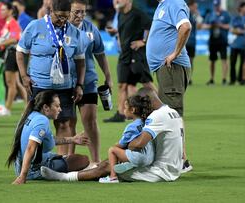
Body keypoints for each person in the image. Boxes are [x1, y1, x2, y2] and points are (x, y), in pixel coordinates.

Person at [40, 87, 185, 182]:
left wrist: (129, 145)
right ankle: (92, 168)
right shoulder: (173, 112)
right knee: (109, 162)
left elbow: (139, 143)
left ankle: (63, 177)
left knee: (107, 167)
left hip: (158, 172)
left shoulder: (157, 116)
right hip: (173, 168)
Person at [16, 0, 87, 155]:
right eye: (59, 16)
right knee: (33, 123)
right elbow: (20, 51)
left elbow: (81, 62)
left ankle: (61, 161)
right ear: (50, 11)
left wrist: (79, 84)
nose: (62, 21)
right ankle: (29, 158)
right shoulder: (35, 26)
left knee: (63, 124)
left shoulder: (74, 33)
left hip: (64, 87)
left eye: (66, 17)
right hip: (39, 85)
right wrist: (23, 76)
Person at [146, 0, 192, 171]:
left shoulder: (173, 2)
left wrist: (175, 53)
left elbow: (185, 27)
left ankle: (180, 160)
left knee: (172, 114)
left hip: (172, 67)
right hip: (166, 68)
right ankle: (178, 158)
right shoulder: (163, 4)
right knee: (170, 113)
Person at [7, 90, 90, 184]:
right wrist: (23, 176)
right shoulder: (42, 121)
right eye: (57, 106)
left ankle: (59, 165)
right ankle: (61, 176)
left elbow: (49, 139)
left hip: (24, 165)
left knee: (72, 159)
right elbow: (30, 148)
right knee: (83, 160)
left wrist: (73, 139)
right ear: (46, 107)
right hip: (35, 169)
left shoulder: (30, 115)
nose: (60, 109)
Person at [68, 0, 113, 164]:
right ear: (68, 10)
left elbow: (100, 54)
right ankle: (68, 160)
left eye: (83, 12)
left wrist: (108, 76)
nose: (80, 15)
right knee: (68, 122)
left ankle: (95, 161)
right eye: (76, 12)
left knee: (90, 120)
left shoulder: (91, 28)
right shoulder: (60, 28)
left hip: (87, 82)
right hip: (64, 83)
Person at [103, 0, 156, 123]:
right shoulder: (121, 14)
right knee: (122, 85)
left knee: (146, 83)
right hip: (124, 55)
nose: (117, 1)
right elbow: (126, 31)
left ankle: (163, 108)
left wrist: (143, 41)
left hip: (136, 54)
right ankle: (120, 114)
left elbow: (152, 26)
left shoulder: (138, 13)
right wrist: (115, 32)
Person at [99, 95, 155, 183]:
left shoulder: (132, 126)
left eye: (125, 108)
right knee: (126, 150)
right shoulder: (147, 122)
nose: (123, 110)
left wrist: (115, 145)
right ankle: (128, 164)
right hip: (151, 157)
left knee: (112, 150)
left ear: (132, 110)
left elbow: (122, 144)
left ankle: (113, 177)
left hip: (140, 158)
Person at [0, 2, 27, 116]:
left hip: (12, 54)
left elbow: (15, 38)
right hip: (11, 53)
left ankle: (7, 109)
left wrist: (0, 44)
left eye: (3, 10)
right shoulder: (8, 23)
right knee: (16, 83)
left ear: (10, 11)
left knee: (10, 82)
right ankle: (28, 108)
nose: (1, 12)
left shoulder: (13, 23)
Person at [203, 0, 230, 85]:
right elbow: (204, 26)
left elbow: (229, 26)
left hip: (222, 39)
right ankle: (211, 79)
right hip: (213, 40)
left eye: (217, 5)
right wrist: (211, 25)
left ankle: (224, 79)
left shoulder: (225, 14)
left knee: (224, 59)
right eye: (215, 6)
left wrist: (220, 25)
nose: (216, 7)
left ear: (220, 5)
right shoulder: (210, 14)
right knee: (212, 60)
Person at [229, 2, 245, 85]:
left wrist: (240, 31)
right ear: (241, 8)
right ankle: (232, 80)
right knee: (233, 62)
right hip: (235, 44)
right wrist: (241, 31)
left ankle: (240, 79)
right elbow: (232, 29)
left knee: (242, 63)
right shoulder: (235, 18)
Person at [186, 0, 202, 85]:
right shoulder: (184, 14)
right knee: (184, 60)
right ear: (190, 6)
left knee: (191, 61)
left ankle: (189, 78)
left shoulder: (194, 16)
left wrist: (198, 17)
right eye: (195, 7)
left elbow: (199, 27)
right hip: (184, 42)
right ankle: (184, 78)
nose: (196, 9)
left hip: (192, 42)